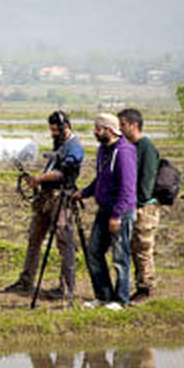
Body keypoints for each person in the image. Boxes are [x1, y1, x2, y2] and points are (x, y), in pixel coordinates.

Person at [4, 111, 85, 302]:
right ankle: (26, 281)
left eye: (55, 130)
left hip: (61, 199)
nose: (52, 134)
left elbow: (63, 173)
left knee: (64, 242)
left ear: (65, 127)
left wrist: (39, 179)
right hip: (45, 198)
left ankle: (66, 288)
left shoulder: (74, 147)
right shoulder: (60, 145)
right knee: (34, 238)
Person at [75, 113, 137, 307]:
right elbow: (101, 179)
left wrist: (117, 215)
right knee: (93, 251)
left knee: (120, 256)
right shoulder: (103, 150)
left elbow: (127, 188)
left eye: (98, 128)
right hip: (104, 210)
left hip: (120, 212)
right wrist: (84, 193)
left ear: (110, 130)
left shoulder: (124, 152)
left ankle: (121, 299)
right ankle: (103, 296)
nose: (95, 132)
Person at [118, 108, 162, 303]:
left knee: (143, 248)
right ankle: (139, 286)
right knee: (134, 247)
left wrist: (137, 203)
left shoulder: (146, 148)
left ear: (134, 126)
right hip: (134, 205)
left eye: (123, 125)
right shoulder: (132, 147)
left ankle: (146, 288)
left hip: (144, 207)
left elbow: (146, 181)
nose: (120, 129)